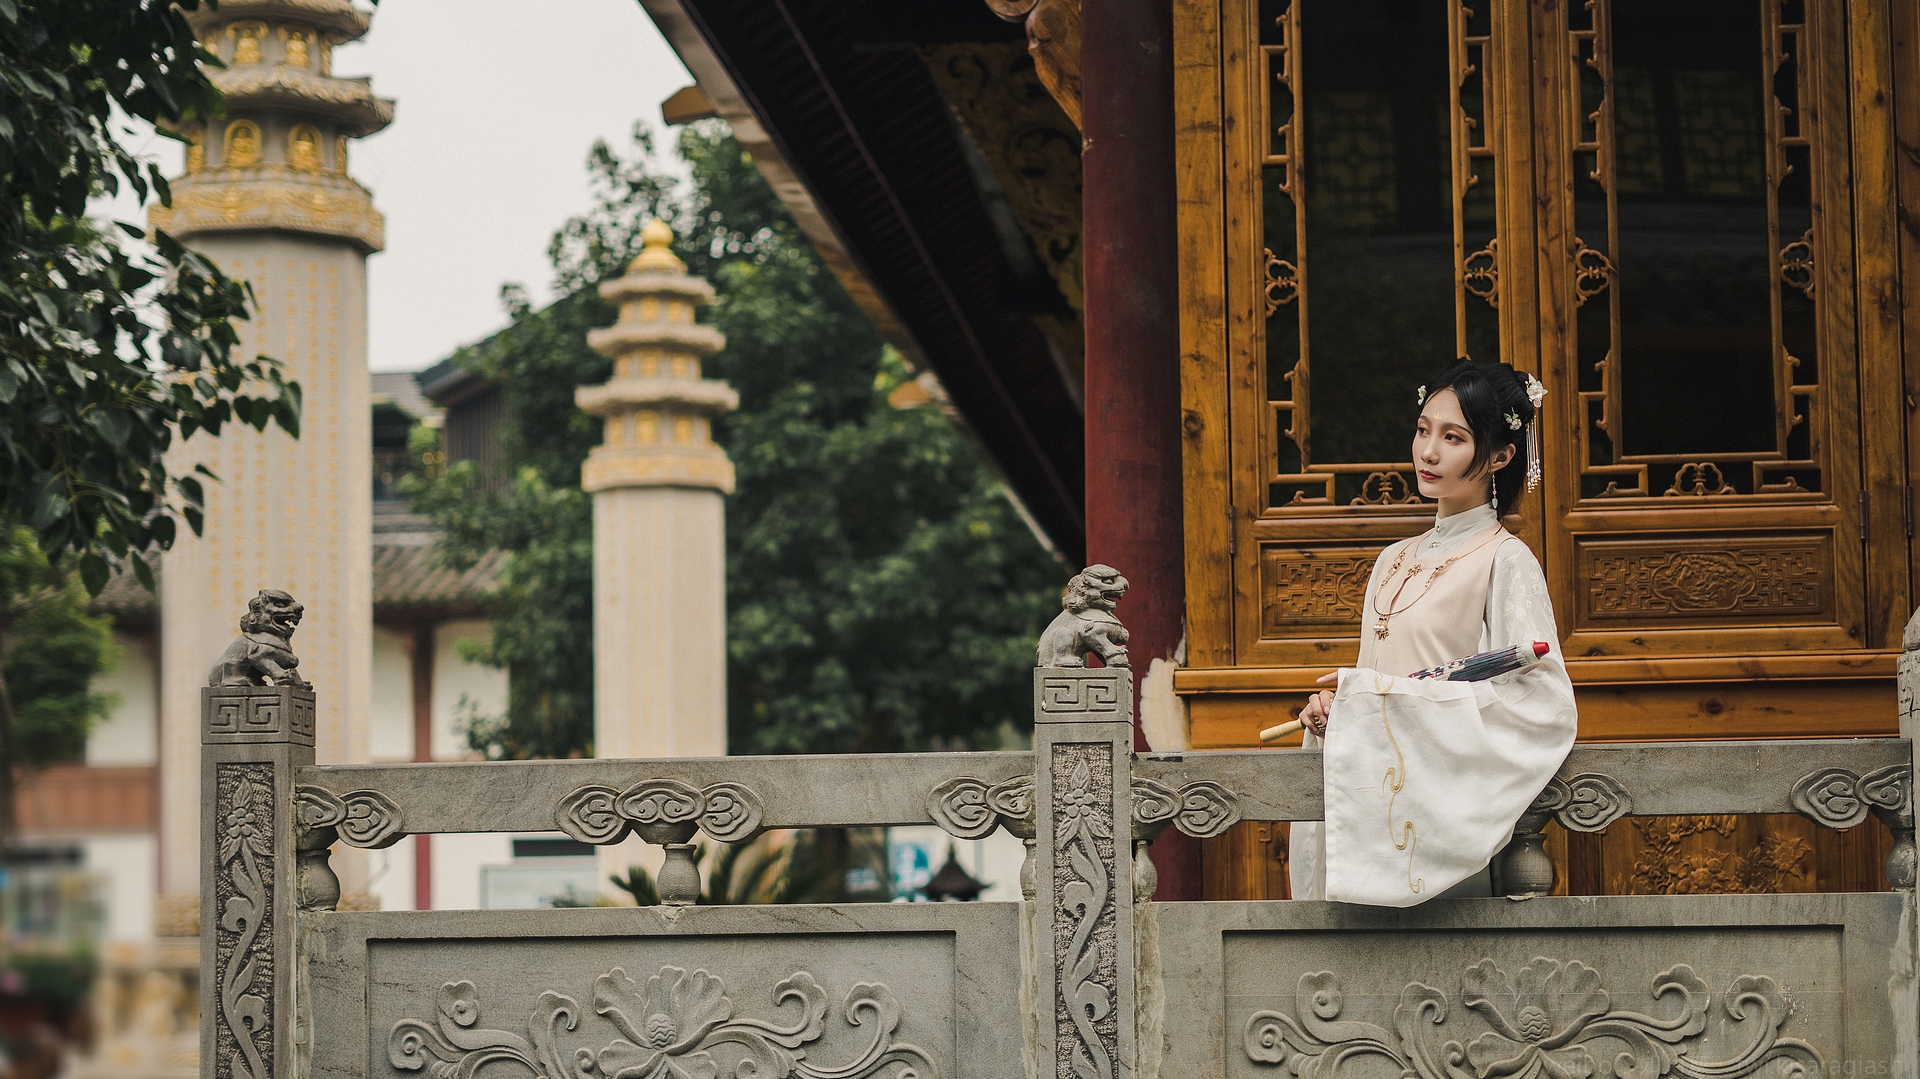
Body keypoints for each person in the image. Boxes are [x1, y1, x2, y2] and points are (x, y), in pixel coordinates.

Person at [1288, 358, 1577, 906]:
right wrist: (1339, 708)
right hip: (1371, 797)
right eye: (1423, 430)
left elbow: (1541, 703)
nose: (1428, 451)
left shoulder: (1505, 560)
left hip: (1436, 817)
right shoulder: (1391, 560)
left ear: (1499, 456)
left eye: (1453, 437)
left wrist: (1390, 701)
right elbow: (1379, 683)